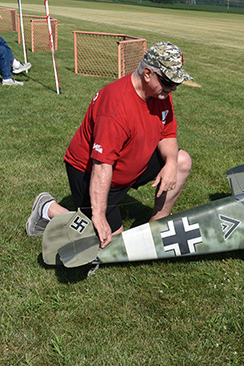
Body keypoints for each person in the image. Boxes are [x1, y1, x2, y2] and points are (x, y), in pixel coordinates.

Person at [26, 41, 193, 249]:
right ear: (148, 73)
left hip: (127, 165)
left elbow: (167, 133)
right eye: (169, 81)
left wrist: (169, 163)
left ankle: (155, 228)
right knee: (110, 244)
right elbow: (101, 165)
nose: (173, 88)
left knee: (181, 161)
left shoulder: (160, 94)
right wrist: (99, 216)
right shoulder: (115, 108)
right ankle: (48, 208)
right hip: (90, 172)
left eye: (176, 82)